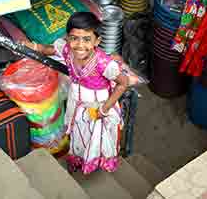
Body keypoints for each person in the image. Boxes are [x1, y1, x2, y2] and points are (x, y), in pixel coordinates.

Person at [22, 11, 140, 174]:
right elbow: (50, 49)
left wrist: (104, 109)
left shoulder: (103, 63)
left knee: (95, 136)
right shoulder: (67, 50)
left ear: (97, 41)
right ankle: (77, 157)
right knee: (78, 131)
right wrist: (34, 47)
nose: (79, 45)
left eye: (86, 39)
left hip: (97, 105)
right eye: (74, 38)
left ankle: (91, 161)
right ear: (67, 38)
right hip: (76, 100)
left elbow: (123, 82)